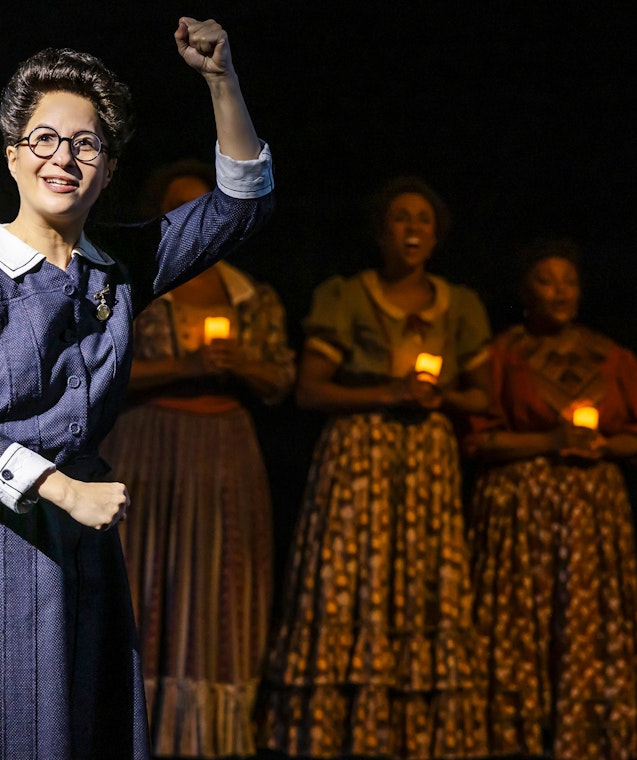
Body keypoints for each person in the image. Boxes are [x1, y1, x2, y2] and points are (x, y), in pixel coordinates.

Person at [0, 17, 274, 760]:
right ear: (15, 155)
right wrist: (63, 491)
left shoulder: (117, 265)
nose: (65, 158)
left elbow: (240, 204)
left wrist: (220, 80)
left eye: (87, 144)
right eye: (45, 139)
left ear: (108, 167)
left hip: (71, 547)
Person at [257, 177, 490, 758]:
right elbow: (310, 391)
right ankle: (338, 727)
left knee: (419, 582)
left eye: (423, 221)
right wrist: (390, 393)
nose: (412, 230)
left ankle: (416, 732)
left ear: (436, 238)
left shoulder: (459, 304)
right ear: (382, 233)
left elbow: (482, 396)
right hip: (360, 454)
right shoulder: (348, 295)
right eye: (401, 220)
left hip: (427, 463)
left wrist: (436, 397)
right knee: (350, 580)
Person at [97, 160, 295, 757]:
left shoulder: (247, 294)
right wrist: (180, 368)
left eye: (201, 206)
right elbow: (95, 371)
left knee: (215, 583)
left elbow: (282, 378)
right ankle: (130, 725)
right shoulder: (130, 282)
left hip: (224, 456)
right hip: (147, 448)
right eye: (175, 210)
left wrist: (237, 364)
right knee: (145, 577)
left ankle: (204, 739)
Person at [465, 239, 637, 759]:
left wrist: (602, 446)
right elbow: (480, 437)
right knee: (518, 625)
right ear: (525, 291)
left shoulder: (613, 357)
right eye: (547, 281)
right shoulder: (502, 353)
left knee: (586, 622)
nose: (560, 292)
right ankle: (513, 736)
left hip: (591, 518)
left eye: (569, 281)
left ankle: (586, 734)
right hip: (521, 515)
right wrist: (549, 443)